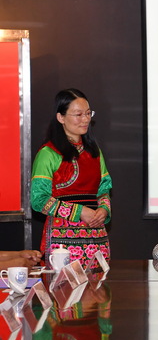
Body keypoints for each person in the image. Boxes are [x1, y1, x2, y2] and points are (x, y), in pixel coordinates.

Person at [31, 89, 112, 268]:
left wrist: (104, 209)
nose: (85, 119)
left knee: (98, 283)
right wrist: (79, 211)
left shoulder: (94, 152)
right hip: (62, 240)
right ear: (60, 117)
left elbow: (103, 190)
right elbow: (39, 200)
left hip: (96, 237)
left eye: (88, 113)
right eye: (78, 114)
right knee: (63, 284)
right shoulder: (48, 153)